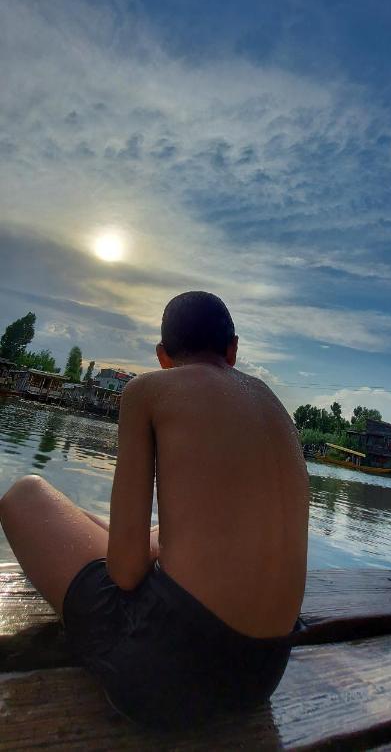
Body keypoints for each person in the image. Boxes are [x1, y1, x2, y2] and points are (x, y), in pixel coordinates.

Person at [0, 291, 309, 728]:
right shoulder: (274, 407)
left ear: (162, 356)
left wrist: (151, 545)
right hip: (261, 677)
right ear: (233, 350)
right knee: (85, 521)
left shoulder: (149, 390)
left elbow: (124, 572)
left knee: (25, 493)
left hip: (170, 678)